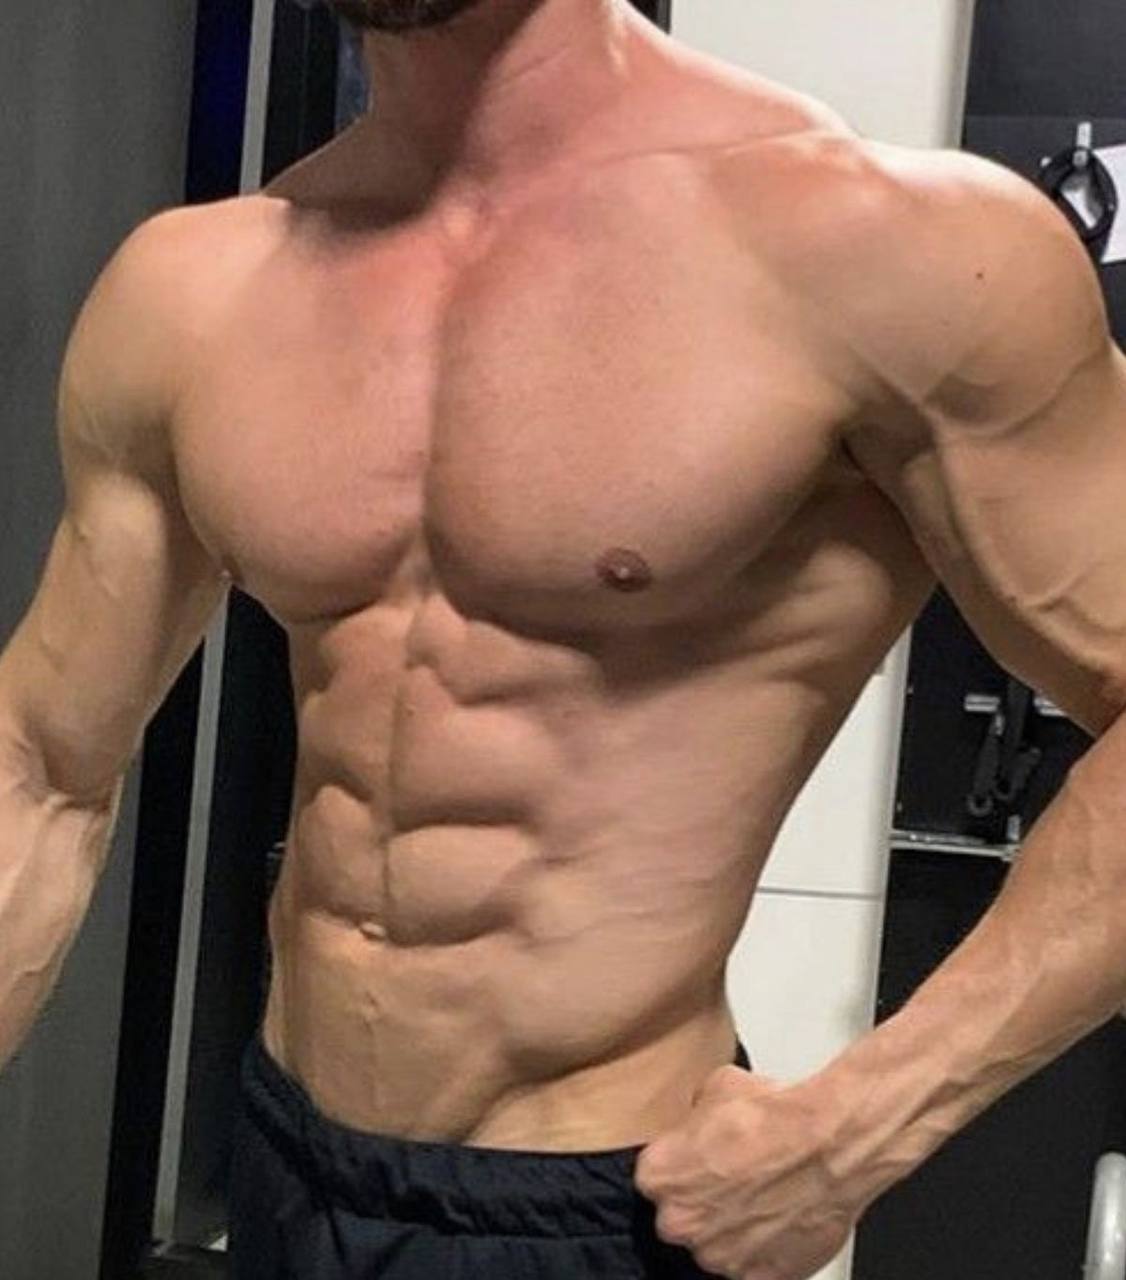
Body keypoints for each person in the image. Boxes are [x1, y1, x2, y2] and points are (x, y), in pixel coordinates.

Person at [2, 0, 1126, 1276]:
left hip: (597, 1204)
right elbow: (40, 763)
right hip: (281, 1163)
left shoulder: (887, 252)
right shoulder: (191, 288)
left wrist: (863, 1122)